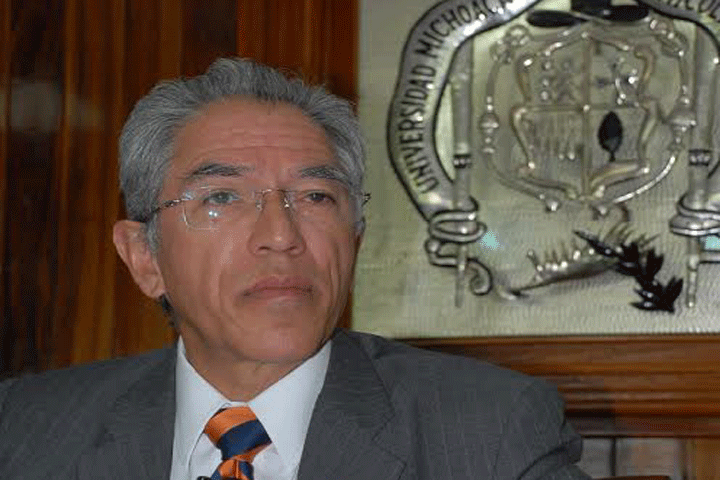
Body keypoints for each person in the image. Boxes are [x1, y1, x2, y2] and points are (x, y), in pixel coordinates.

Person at [0, 57, 591, 480]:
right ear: (144, 257)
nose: (281, 237)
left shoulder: (491, 434)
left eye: (315, 197)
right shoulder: (25, 430)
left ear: (354, 241)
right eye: (223, 197)